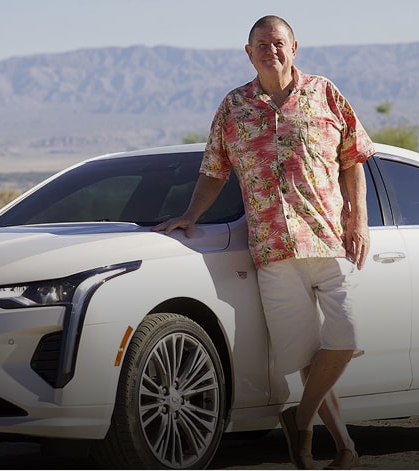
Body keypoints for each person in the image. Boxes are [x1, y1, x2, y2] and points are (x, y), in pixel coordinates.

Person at [152, 15, 375, 469]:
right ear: (248, 52)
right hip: (272, 251)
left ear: (295, 47)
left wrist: (359, 222)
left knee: (347, 338)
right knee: (308, 359)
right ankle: (345, 449)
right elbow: (214, 171)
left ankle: (301, 419)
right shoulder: (233, 107)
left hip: (330, 240)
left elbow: (354, 159)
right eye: (261, 44)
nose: (270, 50)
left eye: (278, 42)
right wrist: (190, 215)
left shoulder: (325, 93)